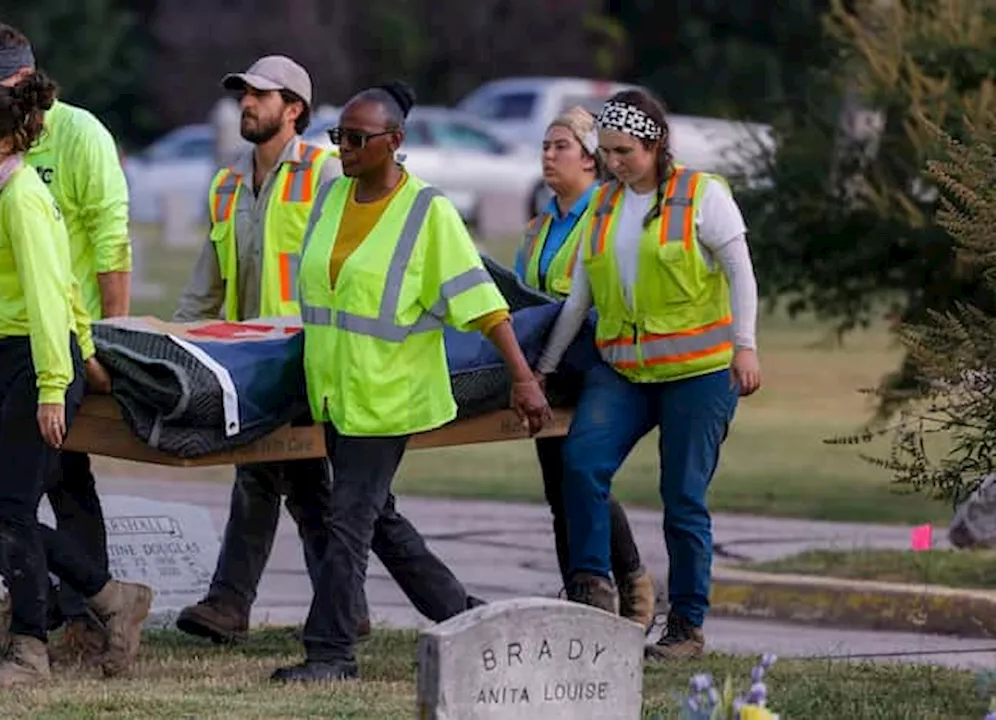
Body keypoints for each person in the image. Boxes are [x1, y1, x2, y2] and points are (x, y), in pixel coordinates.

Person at [270, 81, 553, 683]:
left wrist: (523, 379)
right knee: (379, 519)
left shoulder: (429, 213)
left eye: (355, 138)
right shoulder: (329, 199)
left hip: (389, 396)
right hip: (336, 391)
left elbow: (481, 303)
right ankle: (462, 616)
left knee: (348, 521)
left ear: (394, 142)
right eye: (337, 136)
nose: (342, 148)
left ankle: (331, 654)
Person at [533, 89, 762, 660]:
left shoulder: (701, 196)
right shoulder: (605, 206)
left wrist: (746, 347)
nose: (613, 163)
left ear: (654, 143)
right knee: (580, 463)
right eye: (606, 151)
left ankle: (686, 626)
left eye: (624, 151)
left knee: (682, 497)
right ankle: (592, 591)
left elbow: (741, 274)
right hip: (625, 371)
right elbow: (580, 297)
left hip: (698, 373)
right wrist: (542, 368)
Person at [0, 73, 153, 686]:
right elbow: (63, 287)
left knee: (12, 509)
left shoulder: (22, 200)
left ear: (8, 139)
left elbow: (48, 300)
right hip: (12, 352)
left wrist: (53, 384)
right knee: (1, 508)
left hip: (36, 363)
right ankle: (113, 597)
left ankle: (30, 653)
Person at [171, 55, 356, 645]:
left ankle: (232, 603)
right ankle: (338, 606)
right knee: (300, 485)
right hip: (250, 362)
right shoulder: (227, 182)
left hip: (307, 356)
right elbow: (208, 279)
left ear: (294, 109)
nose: (245, 104)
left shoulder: (328, 175)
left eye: (260, 95)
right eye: (243, 94)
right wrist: (175, 343)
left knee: (269, 476)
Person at [514, 108, 655, 629]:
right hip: (547, 366)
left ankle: (628, 582)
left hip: (596, 361)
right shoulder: (537, 226)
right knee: (560, 485)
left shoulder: (612, 216)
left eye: (561, 147)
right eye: (545, 147)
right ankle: (583, 590)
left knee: (581, 474)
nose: (548, 156)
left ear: (592, 160)